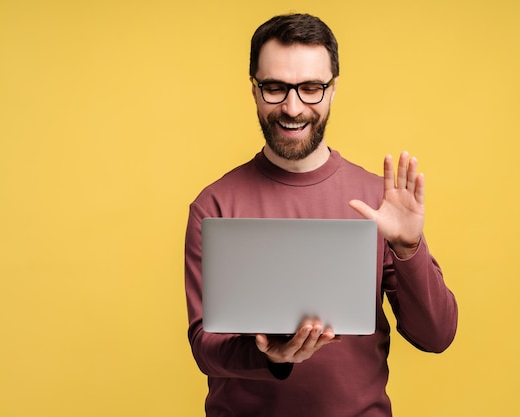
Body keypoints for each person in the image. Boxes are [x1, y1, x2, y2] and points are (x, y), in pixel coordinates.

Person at [185, 13, 458, 417]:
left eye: (311, 88)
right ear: (254, 89)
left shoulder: (376, 200)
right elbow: (205, 348)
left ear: (332, 89)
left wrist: (407, 246)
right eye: (275, 88)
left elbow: (436, 335)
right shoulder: (214, 205)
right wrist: (272, 357)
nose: (293, 108)